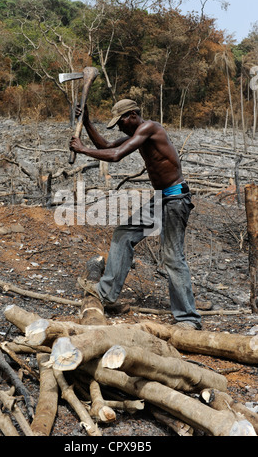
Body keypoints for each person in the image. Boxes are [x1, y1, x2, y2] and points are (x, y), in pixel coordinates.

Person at [69, 99, 202, 329]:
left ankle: (188, 318)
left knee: (172, 255)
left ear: (132, 115)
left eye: (120, 122)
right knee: (124, 234)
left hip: (175, 198)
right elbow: (106, 146)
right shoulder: (137, 134)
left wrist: (82, 149)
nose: (119, 128)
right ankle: (107, 292)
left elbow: (116, 155)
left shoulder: (150, 128)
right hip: (162, 198)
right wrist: (88, 121)